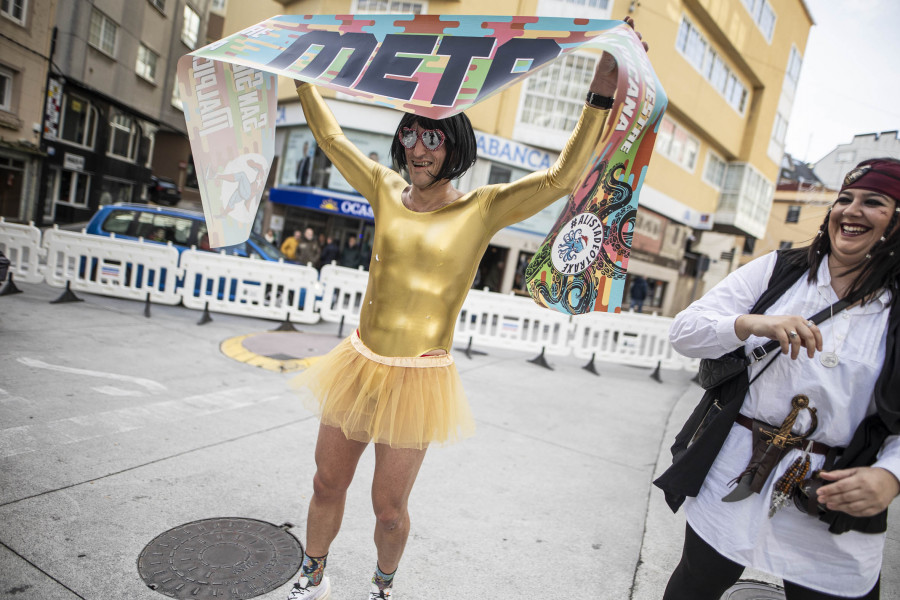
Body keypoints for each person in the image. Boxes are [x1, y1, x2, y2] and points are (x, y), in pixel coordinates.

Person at [286, 18, 648, 600]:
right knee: (327, 482)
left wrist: (600, 98)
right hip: (358, 363)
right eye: (411, 134)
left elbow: (561, 179)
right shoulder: (382, 187)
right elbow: (332, 140)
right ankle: (313, 572)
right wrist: (300, 75)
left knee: (388, 510)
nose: (419, 148)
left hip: (418, 377)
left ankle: (382, 586)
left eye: (433, 137)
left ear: (455, 145)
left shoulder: (481, 209)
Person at [655, 158, 900, 600]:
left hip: (833, 489)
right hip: (738, 465)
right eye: (844, 199)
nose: (850, 210)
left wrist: (890, 475)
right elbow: (684, 332)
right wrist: (750, 324)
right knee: (697, 583)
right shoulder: (780, 270)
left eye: (874, 202)